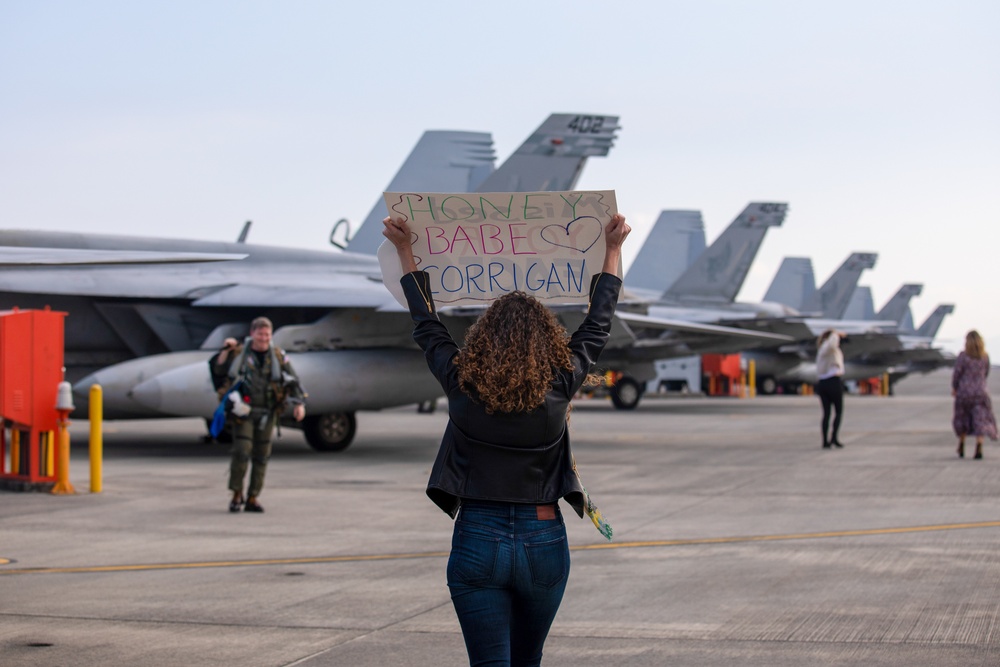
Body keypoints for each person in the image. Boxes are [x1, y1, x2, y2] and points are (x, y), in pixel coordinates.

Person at [383, 212, 630, 667]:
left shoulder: (461, 381)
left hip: (477, 533)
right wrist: (612, 249)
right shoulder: (560, 383)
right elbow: (598, 324)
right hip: (543, 536)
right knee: (527, 660)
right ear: (546, 341)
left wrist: (405, 250)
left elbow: (426, 324)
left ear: (483, 338)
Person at [210, 317, 306, 513]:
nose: (264, 338)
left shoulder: (278, 356)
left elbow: (293, 379)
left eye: (267, 335)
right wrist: (225, 351)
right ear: (253, 334)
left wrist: (299, 404)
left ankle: (253, 497)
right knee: (242, 451)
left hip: (268, 413)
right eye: (261, 334)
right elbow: (219, 369)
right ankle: (237, 494)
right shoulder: (240, 353)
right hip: (243, 412)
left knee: (262, 456)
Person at [951, 329, 997, 459]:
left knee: (963, 419)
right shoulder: (985, 356)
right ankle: (979, 446)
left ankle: (962, 444)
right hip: (980, 393)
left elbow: (957, 374)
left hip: (964, 393)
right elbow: (986, 373)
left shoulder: (963, 356)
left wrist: (955, 388)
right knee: (980, 420)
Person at [815, 329, 846, 449]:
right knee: (838, 411)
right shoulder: (828, 348)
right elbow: (833, 343)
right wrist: (836, 333)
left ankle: (826, 441)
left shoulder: (822, 349)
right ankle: (833, 438)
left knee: (826, 413)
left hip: (822, 383)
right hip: (832, 381)